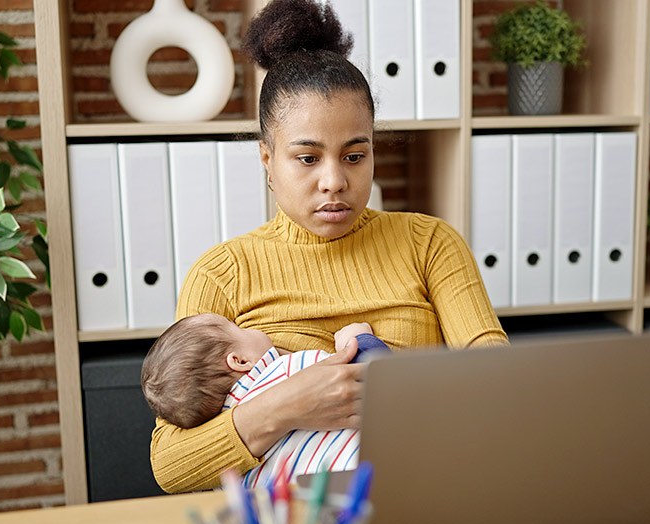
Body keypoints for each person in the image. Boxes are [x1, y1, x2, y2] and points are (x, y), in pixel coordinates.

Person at [150, 0, 509, 493]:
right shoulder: (222, 274)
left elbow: (502, 384)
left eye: (355, 155)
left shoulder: (431, 244)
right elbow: (171, 466)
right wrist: (290, 404)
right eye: (307, 158)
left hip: (426, 495)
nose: (334, 181)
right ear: (267, 159)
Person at [141, 313, 387, 488]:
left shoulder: (231, 469)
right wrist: (359, 340)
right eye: (239, 327)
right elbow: (377, 382)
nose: (253, 330)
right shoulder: (287, 369)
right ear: (239, 361)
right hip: (370, 478)